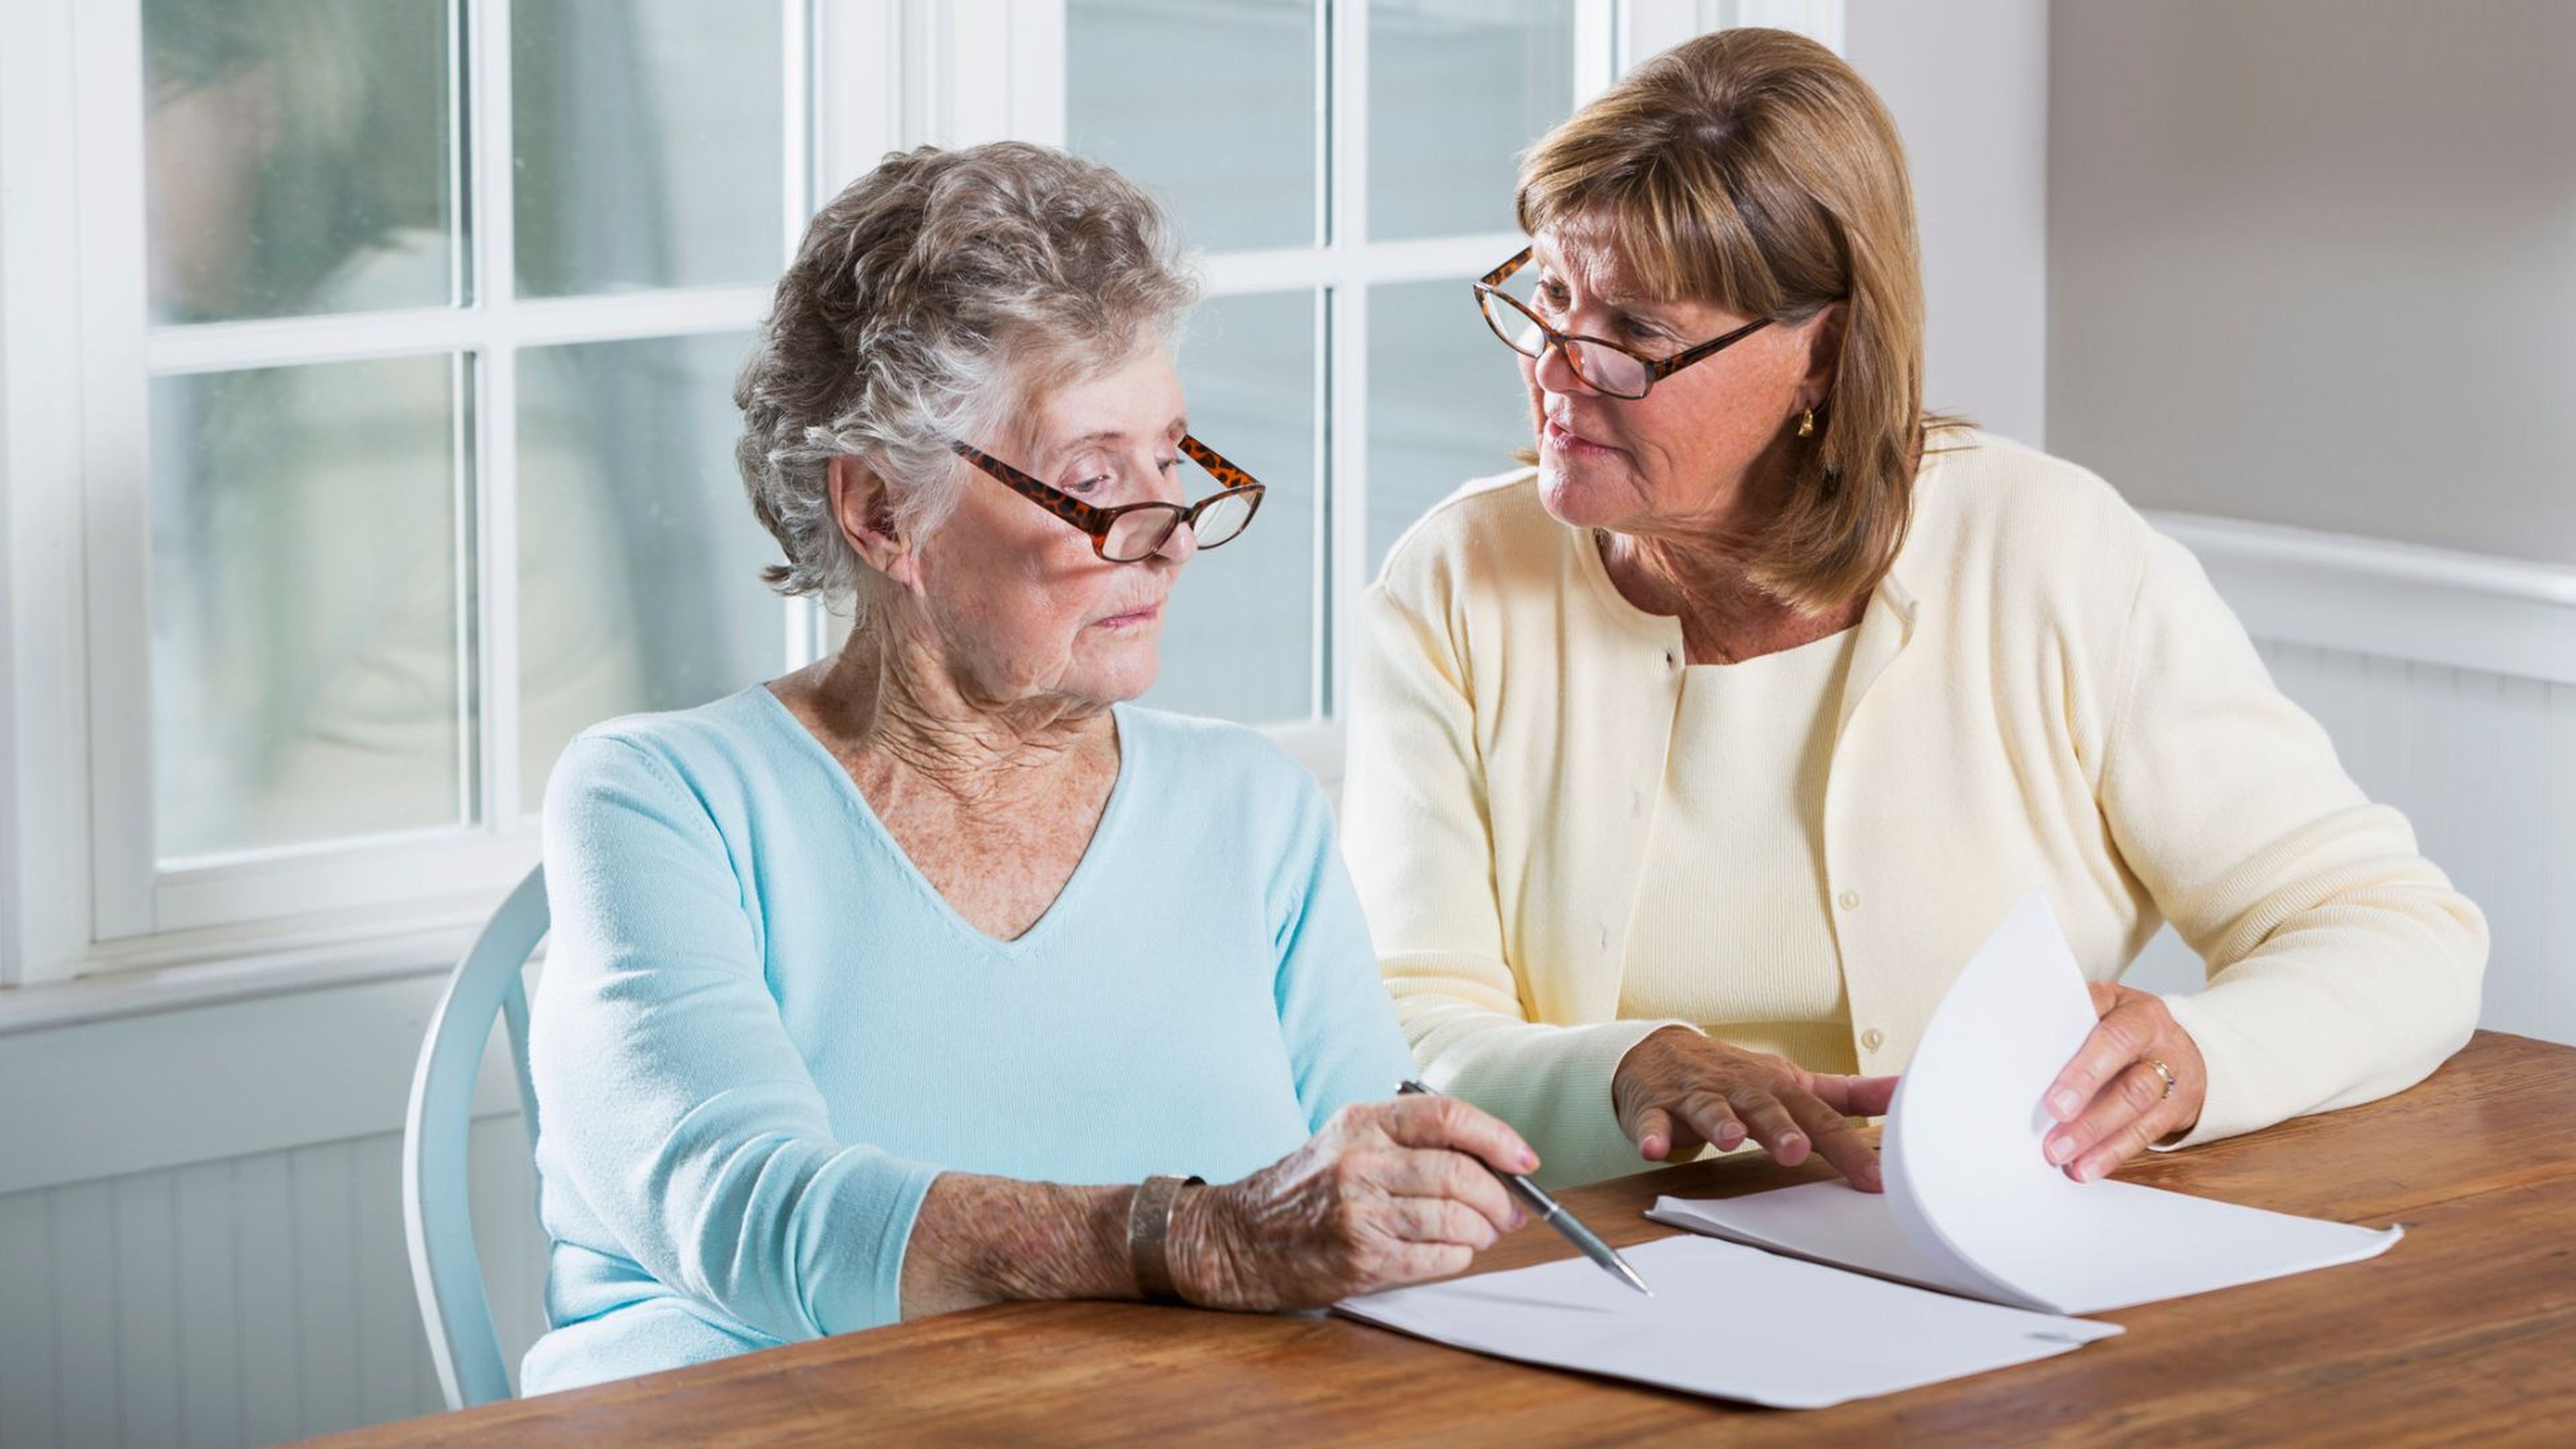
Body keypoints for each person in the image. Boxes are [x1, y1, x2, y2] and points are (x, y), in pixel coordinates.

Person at [1340, 28, 2487, 1193]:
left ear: (1824, 353)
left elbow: (2397, 932)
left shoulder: (2047, 552)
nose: (1555, 368)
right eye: (1547, 294)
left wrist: (2200, 1059)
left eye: (1637, 333)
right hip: (1595, 1272)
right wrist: (1623, 1069)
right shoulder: (1456, 583)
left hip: (2001, 1257)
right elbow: (1398, 1022)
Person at [519, 142, 1532, 1395]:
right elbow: (742, 1212)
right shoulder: (660, 798)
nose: (1166, 539)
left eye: (1175, 459)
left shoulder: (1252, 810)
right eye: (1094, 478)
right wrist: (1191, 1237)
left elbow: (1370, 1199)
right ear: (885, 513)